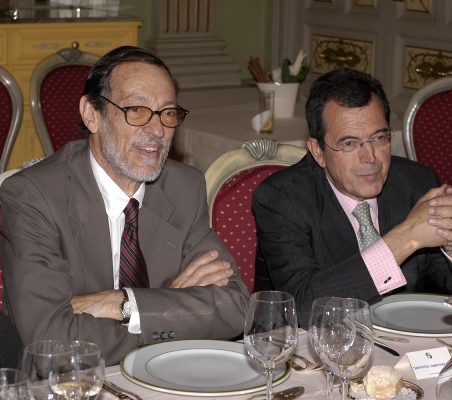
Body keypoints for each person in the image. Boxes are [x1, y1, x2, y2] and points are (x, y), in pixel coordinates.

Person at [0, 46, 249, 366]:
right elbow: (52, 345)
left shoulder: (183, 188)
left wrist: (124, 304)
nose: (157, 130)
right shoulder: (34, 196)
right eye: (136, 110)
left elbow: (235, 305)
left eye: (167, 113)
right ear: (92, 115)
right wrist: (169, 306)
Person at [252, 68, 452, 327]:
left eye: (379, 138)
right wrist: (406, 237)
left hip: (407, 342)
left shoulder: (416, 182)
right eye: (349, 143)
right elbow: (302, 308)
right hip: (313, 346)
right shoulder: (282, 199)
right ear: (318, 151)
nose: (370, 158)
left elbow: (442, 284)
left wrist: (450, 245)